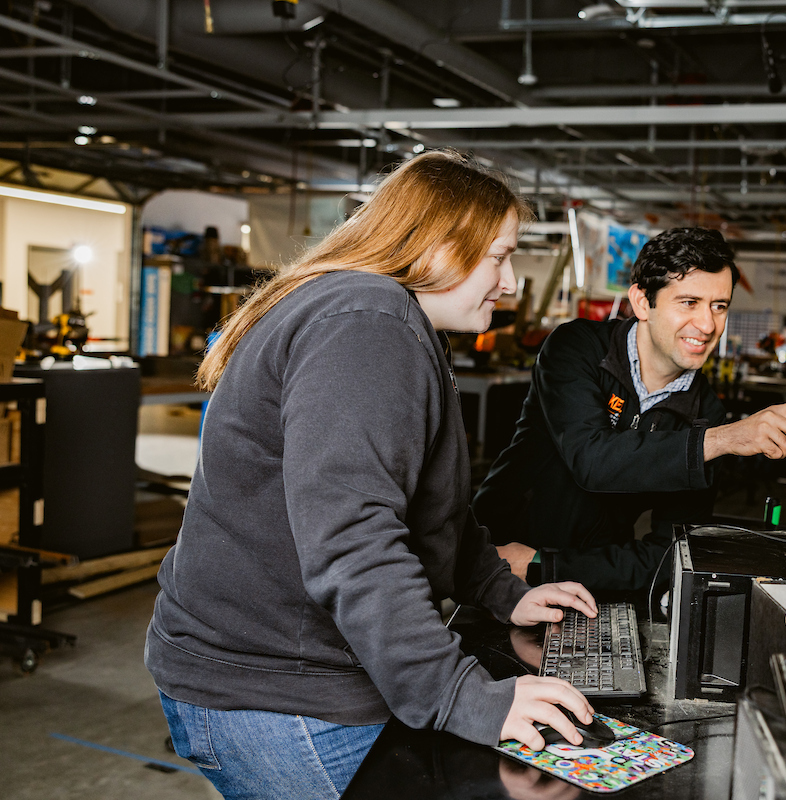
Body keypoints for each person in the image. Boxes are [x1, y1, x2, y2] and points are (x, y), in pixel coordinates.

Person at [146, 151, 601, 800]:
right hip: (277, 692)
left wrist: (503, 592)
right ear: (440, 247)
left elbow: (427, 512)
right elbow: (354, 540)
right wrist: (463, 696)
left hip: (289, 674)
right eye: (500, 256)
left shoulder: (389, 319)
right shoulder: (368, 325)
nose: (507, 283)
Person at [472, 227, 786, 593]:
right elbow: (592, 461)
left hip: (587, 581)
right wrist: (719, 440)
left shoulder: (704, 414)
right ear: (643, 302)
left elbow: (668, 553)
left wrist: (546, 568)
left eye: (719, 306)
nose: (707, 325)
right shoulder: (576, 348)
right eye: (689, 303)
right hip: (494, 558)